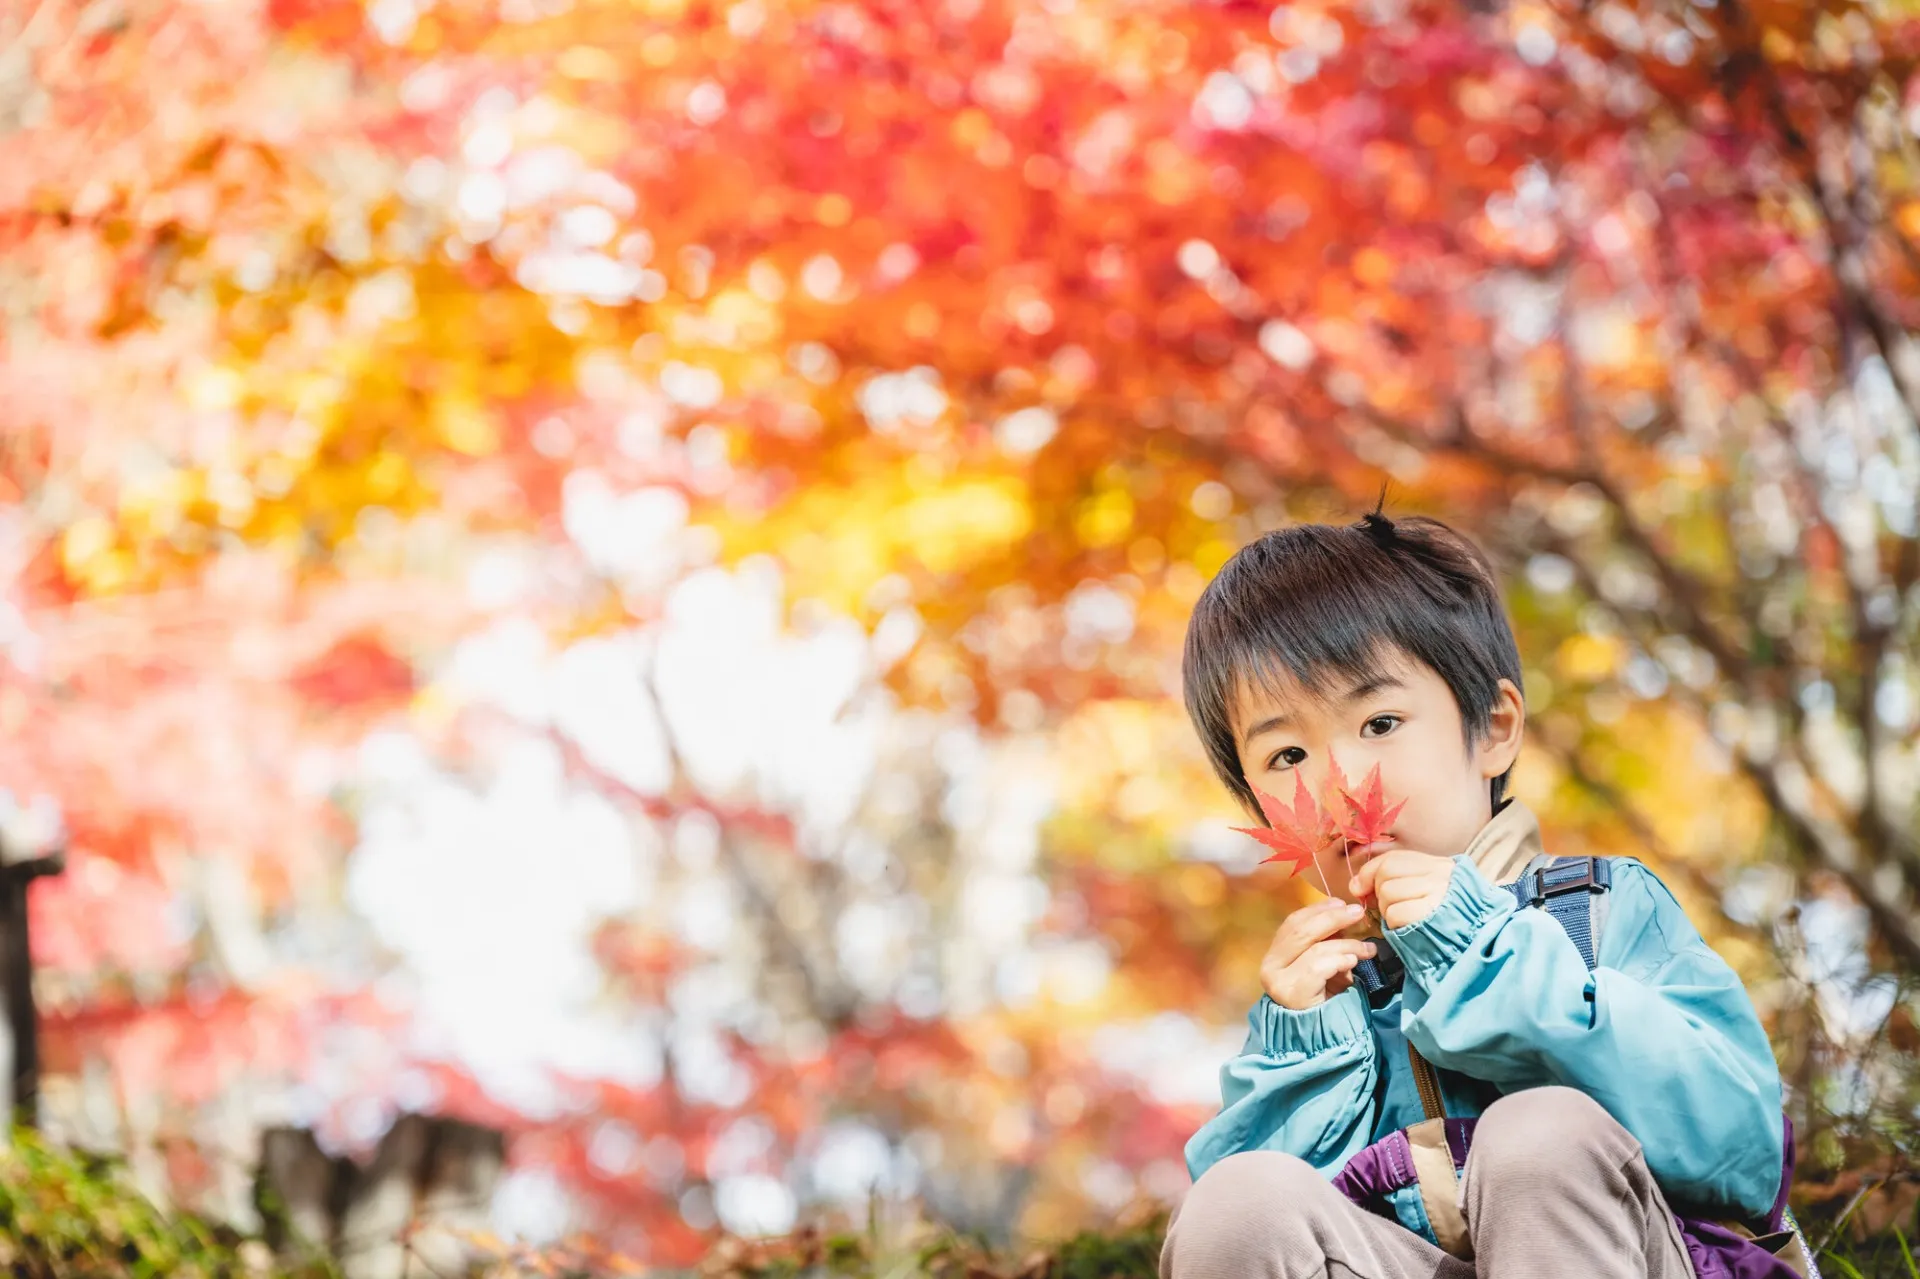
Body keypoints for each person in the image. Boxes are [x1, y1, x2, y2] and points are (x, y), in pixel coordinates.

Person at [1159, 510, 1800, 1279]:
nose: (1338, 784)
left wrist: (1475, 952)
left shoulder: (1598, 909)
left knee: (1539, 1134)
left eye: (1380, 720)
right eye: (1287, 752)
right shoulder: (1321, 1003)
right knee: (1238, 1200)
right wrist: (1312, 1051)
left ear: (1493, 727)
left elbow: (1740, 1146)